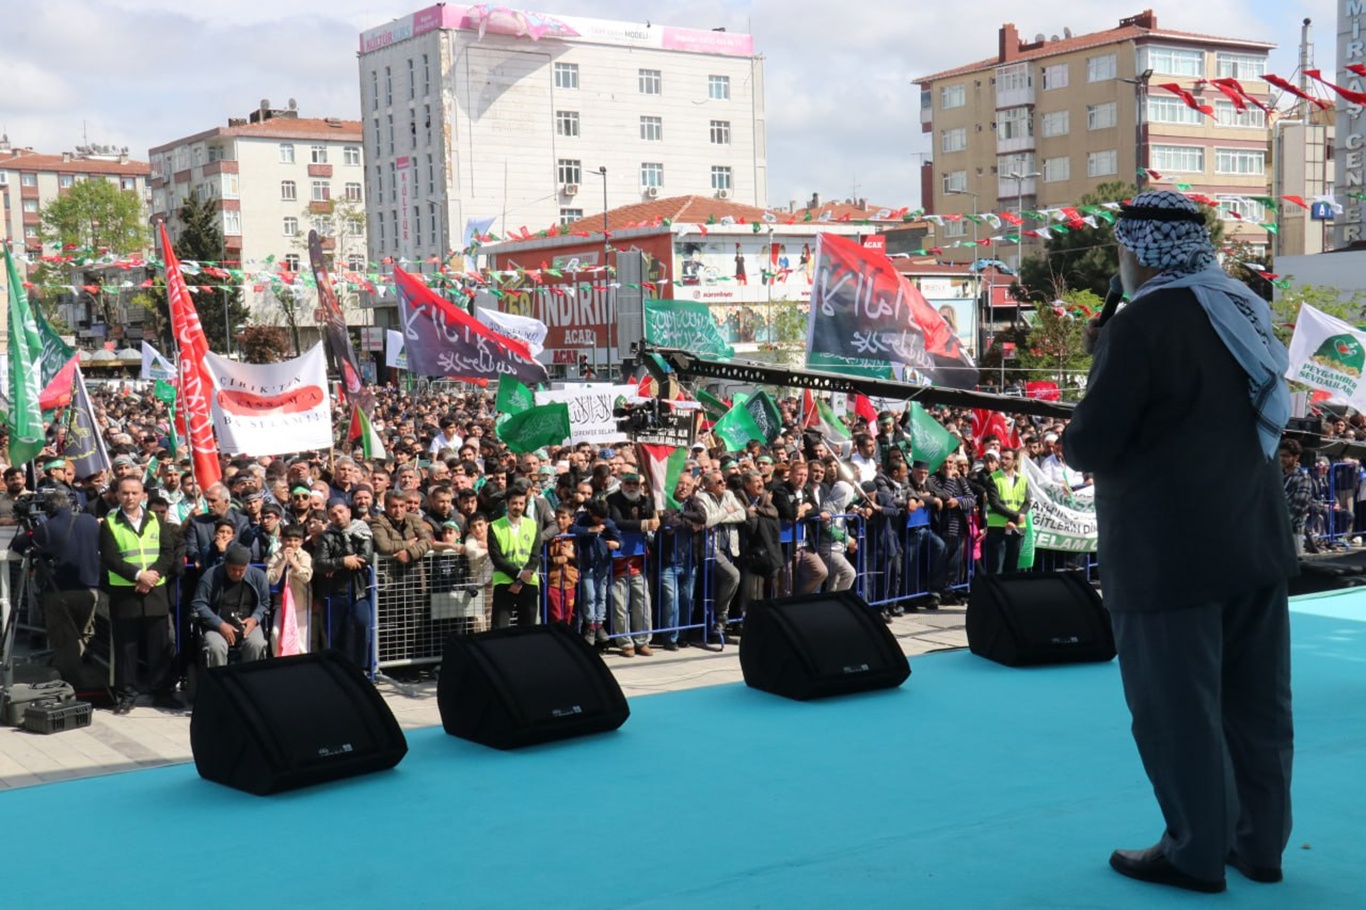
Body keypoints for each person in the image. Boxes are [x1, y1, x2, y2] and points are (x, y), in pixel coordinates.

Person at [1062, 190, 1297, 893]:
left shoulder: (1144, 324)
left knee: (1177, 709)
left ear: (1136, 250)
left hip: (1169, 553)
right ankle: (1260, 846)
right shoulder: (1244, 307)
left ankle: (1195, 850)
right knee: (1257, 704)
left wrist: (1093, 383)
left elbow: (1091, 445)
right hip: (1254, 538)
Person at [99, 476, 179, 714]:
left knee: (159, 646)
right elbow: (110, 558)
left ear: (143, 494)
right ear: (117, 495)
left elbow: (167, 552)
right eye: (125, 493)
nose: (130, 497)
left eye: (134, 493)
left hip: (155, 591)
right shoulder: (110, 522)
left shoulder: (155, 519)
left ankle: (163, 692)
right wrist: (138, 576)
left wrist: (151, 575)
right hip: (126, 592)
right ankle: (127, 695)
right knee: (127, 647)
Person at [13, 489, 106, 689]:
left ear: (48, 509)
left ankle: (72, 686)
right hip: (91, 590)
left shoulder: (47, 528)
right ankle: (81, 676)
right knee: (83, 635)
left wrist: (27, 524)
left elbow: (19, 545)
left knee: (64, 641)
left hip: (59, 592)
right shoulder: (90, 521)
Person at [190, 544, 270, 668]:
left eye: (241, 570)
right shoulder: (211, 575)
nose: (237, 573)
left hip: (248, 624)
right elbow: (199, 603)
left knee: (256, 644)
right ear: (226, 564)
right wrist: (219, 624)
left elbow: (265, 603)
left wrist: (255, 619)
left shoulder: (258, 576)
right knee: (216, 647)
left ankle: (250, 682)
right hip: (217, 624)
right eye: (233, 569)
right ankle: (218, 684)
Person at [488, 489, 542, 628]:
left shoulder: (533, 526)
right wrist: (518, 574)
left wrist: (520, 581)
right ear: (507, 504)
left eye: (521, 503)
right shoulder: (494, 526)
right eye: (514, 503)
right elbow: (497, 558)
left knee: (528, 630)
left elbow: (535, 556)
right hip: (504, 582)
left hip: (528, 582)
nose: (517, 507)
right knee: (499, 629)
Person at [266, 523, 315, 654]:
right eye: (288, 540)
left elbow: (306, 576)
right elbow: (271, 578)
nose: (292, 543)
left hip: (300, 604)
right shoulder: (276, 556)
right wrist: (282, 562)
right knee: (276, 635)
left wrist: (293, 562)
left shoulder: (305, 556)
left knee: (300, 642)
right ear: (282, 540)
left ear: (301, 541)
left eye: (295, 540)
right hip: (281, 604)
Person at [981, 448, 1029, 574]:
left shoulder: (1022, 479)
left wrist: (1018, 518)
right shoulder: (993, 478)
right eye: (1002, 458)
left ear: (1015, 462)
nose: (1003, 461)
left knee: (1012, 567)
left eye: (1007, 458)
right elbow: (995, 504)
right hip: (998, 527)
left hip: (1017, 528)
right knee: (996, 567)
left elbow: (1027, 501)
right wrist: (1016, 517)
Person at [1279, 439, 1313, 556]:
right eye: (1279, 455)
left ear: (1296, 457)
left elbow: (1298, 507)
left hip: (1293, 532)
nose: (1281, 459)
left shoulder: (1303, 477)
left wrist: (1282, 524)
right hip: (1276, 529)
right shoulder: (1278, 475)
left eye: (1285, 456)